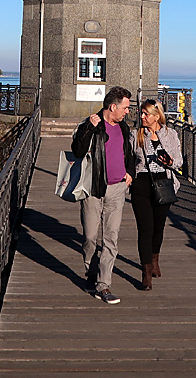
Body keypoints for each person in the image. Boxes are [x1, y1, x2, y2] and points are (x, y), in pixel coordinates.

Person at [71, 86, 134, 304]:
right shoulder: (93, 124)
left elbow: (129, 152)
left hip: (117, 189)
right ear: (112, 106)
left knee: (111, 238)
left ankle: (103, 284)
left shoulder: (124, 127)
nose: (127, 112)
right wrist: (88, 127)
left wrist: (130, 173)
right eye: (125, 107)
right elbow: (78, 151)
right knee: (89, 236)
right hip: (93, 187)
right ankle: (90, 274)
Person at [130, 99, 182, 291]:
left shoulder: (170, 134)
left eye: (146, 114)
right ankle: (146, 272)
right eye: (141, 113)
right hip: (141, 183)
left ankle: (155, 258)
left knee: (158, 227)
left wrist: (169, 161)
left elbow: (179, 161)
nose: (142, 117)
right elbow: (129, 158)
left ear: (156, 115)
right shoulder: (135, 135)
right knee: (145, 228)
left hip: (164, 182)